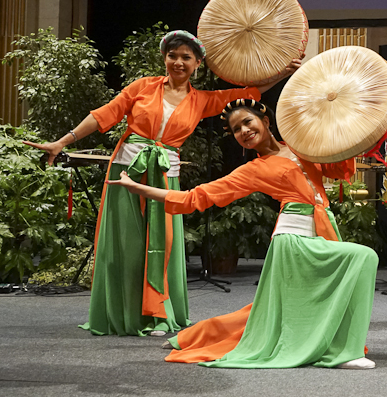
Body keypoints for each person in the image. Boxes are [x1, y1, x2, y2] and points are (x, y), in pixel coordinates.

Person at [25, 30, 298, 337]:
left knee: (162, 244)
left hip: (165, 174)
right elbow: (104, 115)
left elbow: (249, 93)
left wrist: (282, 73)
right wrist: (63, 141)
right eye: (172, 56)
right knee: (127, 244)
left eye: (186, 57)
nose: (178, 62)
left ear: (197, 64)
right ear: (164, 58)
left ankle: (158, 313)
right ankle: (124, 315)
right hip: (127, 169)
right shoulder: (143, 87)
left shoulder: (202, 100)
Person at [108, 99, 377, 369]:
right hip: (293, 240)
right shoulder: (253, 170)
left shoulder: (300, 146)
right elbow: (196, 197)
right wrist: (138, 188)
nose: (244, 131)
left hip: (319, 232)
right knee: (364, 257)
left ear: (266, 121)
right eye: (237, 129)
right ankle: (345, 352)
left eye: (247, 122)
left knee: (275, 308)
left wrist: (346, 124)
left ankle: (196, 335)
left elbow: (336, 166)